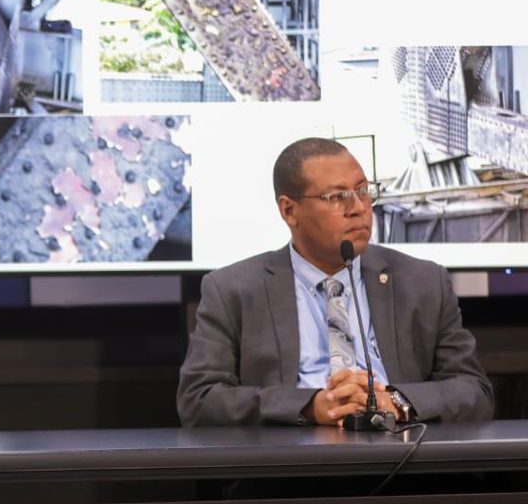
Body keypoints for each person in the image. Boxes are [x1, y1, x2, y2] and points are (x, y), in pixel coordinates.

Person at [178, 137, 493, 427]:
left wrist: (397, 401)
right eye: (337, 197)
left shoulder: (424, 281)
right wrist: (308, 406)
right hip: (289, 462)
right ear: (289, 210)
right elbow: (199, 399)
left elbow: (474, 391)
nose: (358, 209)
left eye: (362, 191)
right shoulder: (233, 290)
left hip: (402, 457)